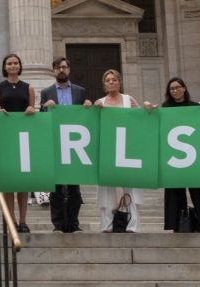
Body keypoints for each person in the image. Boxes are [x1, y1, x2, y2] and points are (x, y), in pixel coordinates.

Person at [40, 56, 90, 233]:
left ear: (69, 70)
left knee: (74, 188)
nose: (61, 70)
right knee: (57, 188)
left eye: (64, 67)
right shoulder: (46, 92)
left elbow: (85, 116)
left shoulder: (80, 91)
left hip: (75, 144)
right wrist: (45, 106)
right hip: (56, 143)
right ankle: (58, 224)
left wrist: (88, 106)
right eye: (58, 68)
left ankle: (74, 223)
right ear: (53, 71)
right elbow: (41, 115)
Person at [0, 53, 36, 231]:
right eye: (9, 63)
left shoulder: (28, 87)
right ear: (5, 67)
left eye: (15, 63)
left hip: (23, 137)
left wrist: (32, 109)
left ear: (19, 66)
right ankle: (12, 221)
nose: (13, 66)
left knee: (23, 182)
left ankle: (23, 221)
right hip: (6, 137)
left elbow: (32, 109)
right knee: (9, 181)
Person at [160, 77, 200, 232]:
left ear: (184, 88)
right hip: (173, 156)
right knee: (174, 190)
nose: (175, 91)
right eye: (172, 89)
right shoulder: (165, 108)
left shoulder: (196, 107)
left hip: (193, 155)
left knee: (198, 190)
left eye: (178, 87)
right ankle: (176, 223)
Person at [93, 69, 140, 234]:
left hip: (127, 148)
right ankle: (107, 224)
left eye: (114, 79)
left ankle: (132, 224)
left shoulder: (129, 100)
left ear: (119, 82)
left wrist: (148, 109)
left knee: (131, 186)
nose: (111, 82)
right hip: (107, 148)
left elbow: (141, 118)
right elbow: (92, 126)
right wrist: (92, 109)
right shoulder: (99, 102)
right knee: (106, 187)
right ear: (104, 85)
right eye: (108, 80)